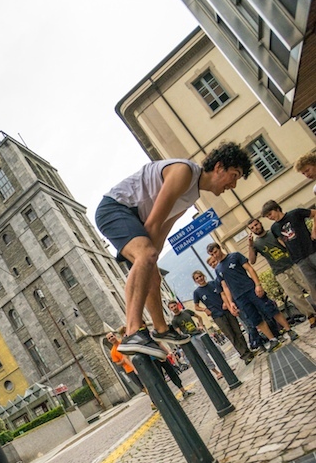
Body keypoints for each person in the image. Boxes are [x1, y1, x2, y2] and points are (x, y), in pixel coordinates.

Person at [95, 142, 253, 358]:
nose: (233, 185)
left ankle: (162, 329)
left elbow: (161, 232)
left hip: (133, 219)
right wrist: (144, 260)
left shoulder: (191, 195)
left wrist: (149, 264)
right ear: (218, 167)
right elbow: (152, 225)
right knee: (146, 257)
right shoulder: (184, 171)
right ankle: (132, 331)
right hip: (115, 208)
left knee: (153, 271)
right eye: (234, 175)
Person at [206, 242, 297, 352]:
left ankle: (289, 330)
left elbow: (250, 269)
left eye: (215, 252)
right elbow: (225, 287)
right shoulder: (218, 269)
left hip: (251, 289)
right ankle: (272, 340)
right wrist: (231, 302)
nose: (215, 255)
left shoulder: (235, 256)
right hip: (239, 297)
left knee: (271, 310)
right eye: (212, 254)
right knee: (255, 319)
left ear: (219, 249)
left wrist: (258, 285)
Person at [247, 217, 316, 329]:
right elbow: (252, 261)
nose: (255, 228)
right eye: (252, 228)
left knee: (310, 286)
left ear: (260, 223)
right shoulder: (256, 244)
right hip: (279, 272)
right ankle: (311, 315)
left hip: (292, 264)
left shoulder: (273, 232)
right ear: (251, 230)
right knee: (295, 296)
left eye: (256, 225)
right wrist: (250, 245)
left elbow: (286, 244)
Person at [262, 200, 316, 307]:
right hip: (299, 259)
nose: (269, 217)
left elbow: (314, 213)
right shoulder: (274, 228)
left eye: (270, 214)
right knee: (313, 284)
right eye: (267, 216)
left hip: (311, 250)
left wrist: (314, 231)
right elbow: (281, 240)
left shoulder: (295, 214)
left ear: (277, 209)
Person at [192, 269, 253, 363]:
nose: (199, 279)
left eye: (200, 276)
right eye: (197, 278)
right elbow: (196, 306)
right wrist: (204, 309)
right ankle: (244, 355)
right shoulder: (197, 292)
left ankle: (247, 351)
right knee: (231, 335)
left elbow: (224, 293)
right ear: (195, 281)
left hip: (227, 310)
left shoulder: (214, 283)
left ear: (203, 276)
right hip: (217, 316)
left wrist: (226, 302)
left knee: (238, 332)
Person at [167, 300, 224, 379]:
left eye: (174, 306)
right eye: (171, 307)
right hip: (191, 338)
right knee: (204, 356)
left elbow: (199, 317)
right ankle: (217, 372)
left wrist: (200, 325)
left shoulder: (186, 311)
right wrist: (182, 337)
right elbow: (179, 332)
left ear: (177, 305)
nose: (174, 308)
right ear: (170, 309)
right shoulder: (174, 321)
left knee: (216, 348)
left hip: (199, 333)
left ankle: (224, 367)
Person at [106, 330, 145, 395]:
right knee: (141, 387)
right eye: (109, 338)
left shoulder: (124, 342)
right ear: (108, 340)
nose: (111, 339)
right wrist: (123, 360)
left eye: (111, 336)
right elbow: (117, 363)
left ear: (115, 336)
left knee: (147, 382)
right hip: (129, 370)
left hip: (137, 364)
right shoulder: (112, 352)